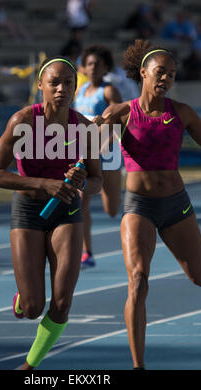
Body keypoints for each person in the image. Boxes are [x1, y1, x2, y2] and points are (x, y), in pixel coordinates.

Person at [95, 39, 201, 369]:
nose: (166, 79)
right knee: (138, 279)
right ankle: (138, 365)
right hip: (139, 206)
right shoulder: (121, 112)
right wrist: (94, 134)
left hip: (177, 205)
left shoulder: (182, 113)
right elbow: (94, 146)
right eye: (160, 72)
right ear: (143, 73)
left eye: (172, 75)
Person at [0, 56, 102, 370]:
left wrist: (82, 183)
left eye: (68, 82)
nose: (62, 88)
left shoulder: (85, 128)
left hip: (67, 213)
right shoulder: (22, 121)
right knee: (35, 307)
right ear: (41, 86)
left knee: (62, 302)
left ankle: (28, 367)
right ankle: (24, 298)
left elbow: (97, 182)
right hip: (28, 211)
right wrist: (44, 184)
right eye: (54, 82)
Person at [74, 45, 122, 268]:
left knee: (111, 209)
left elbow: (120, 121)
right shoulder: (80, 90)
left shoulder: (109, 91)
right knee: (80, 201)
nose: (93, 68)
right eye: (89, 64)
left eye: (97, 64)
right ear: (84, 67)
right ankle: (86, 252)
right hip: (85, 153)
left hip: (107, 152)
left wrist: (105, 142)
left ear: (105, 67)